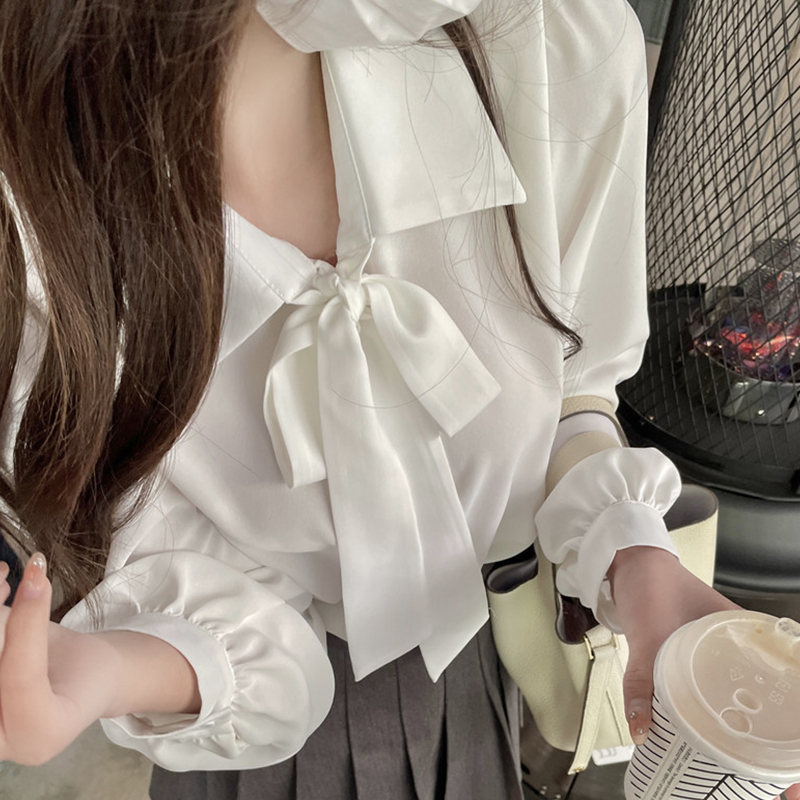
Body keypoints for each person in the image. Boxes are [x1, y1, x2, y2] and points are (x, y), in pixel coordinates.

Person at [1, 1, 793, 799]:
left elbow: (571, 388)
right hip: (226, 722)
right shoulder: (35, 221)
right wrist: (98, 669)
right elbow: (175, 578)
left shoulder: (560, 43)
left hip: (480, 661)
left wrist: (632, 552)